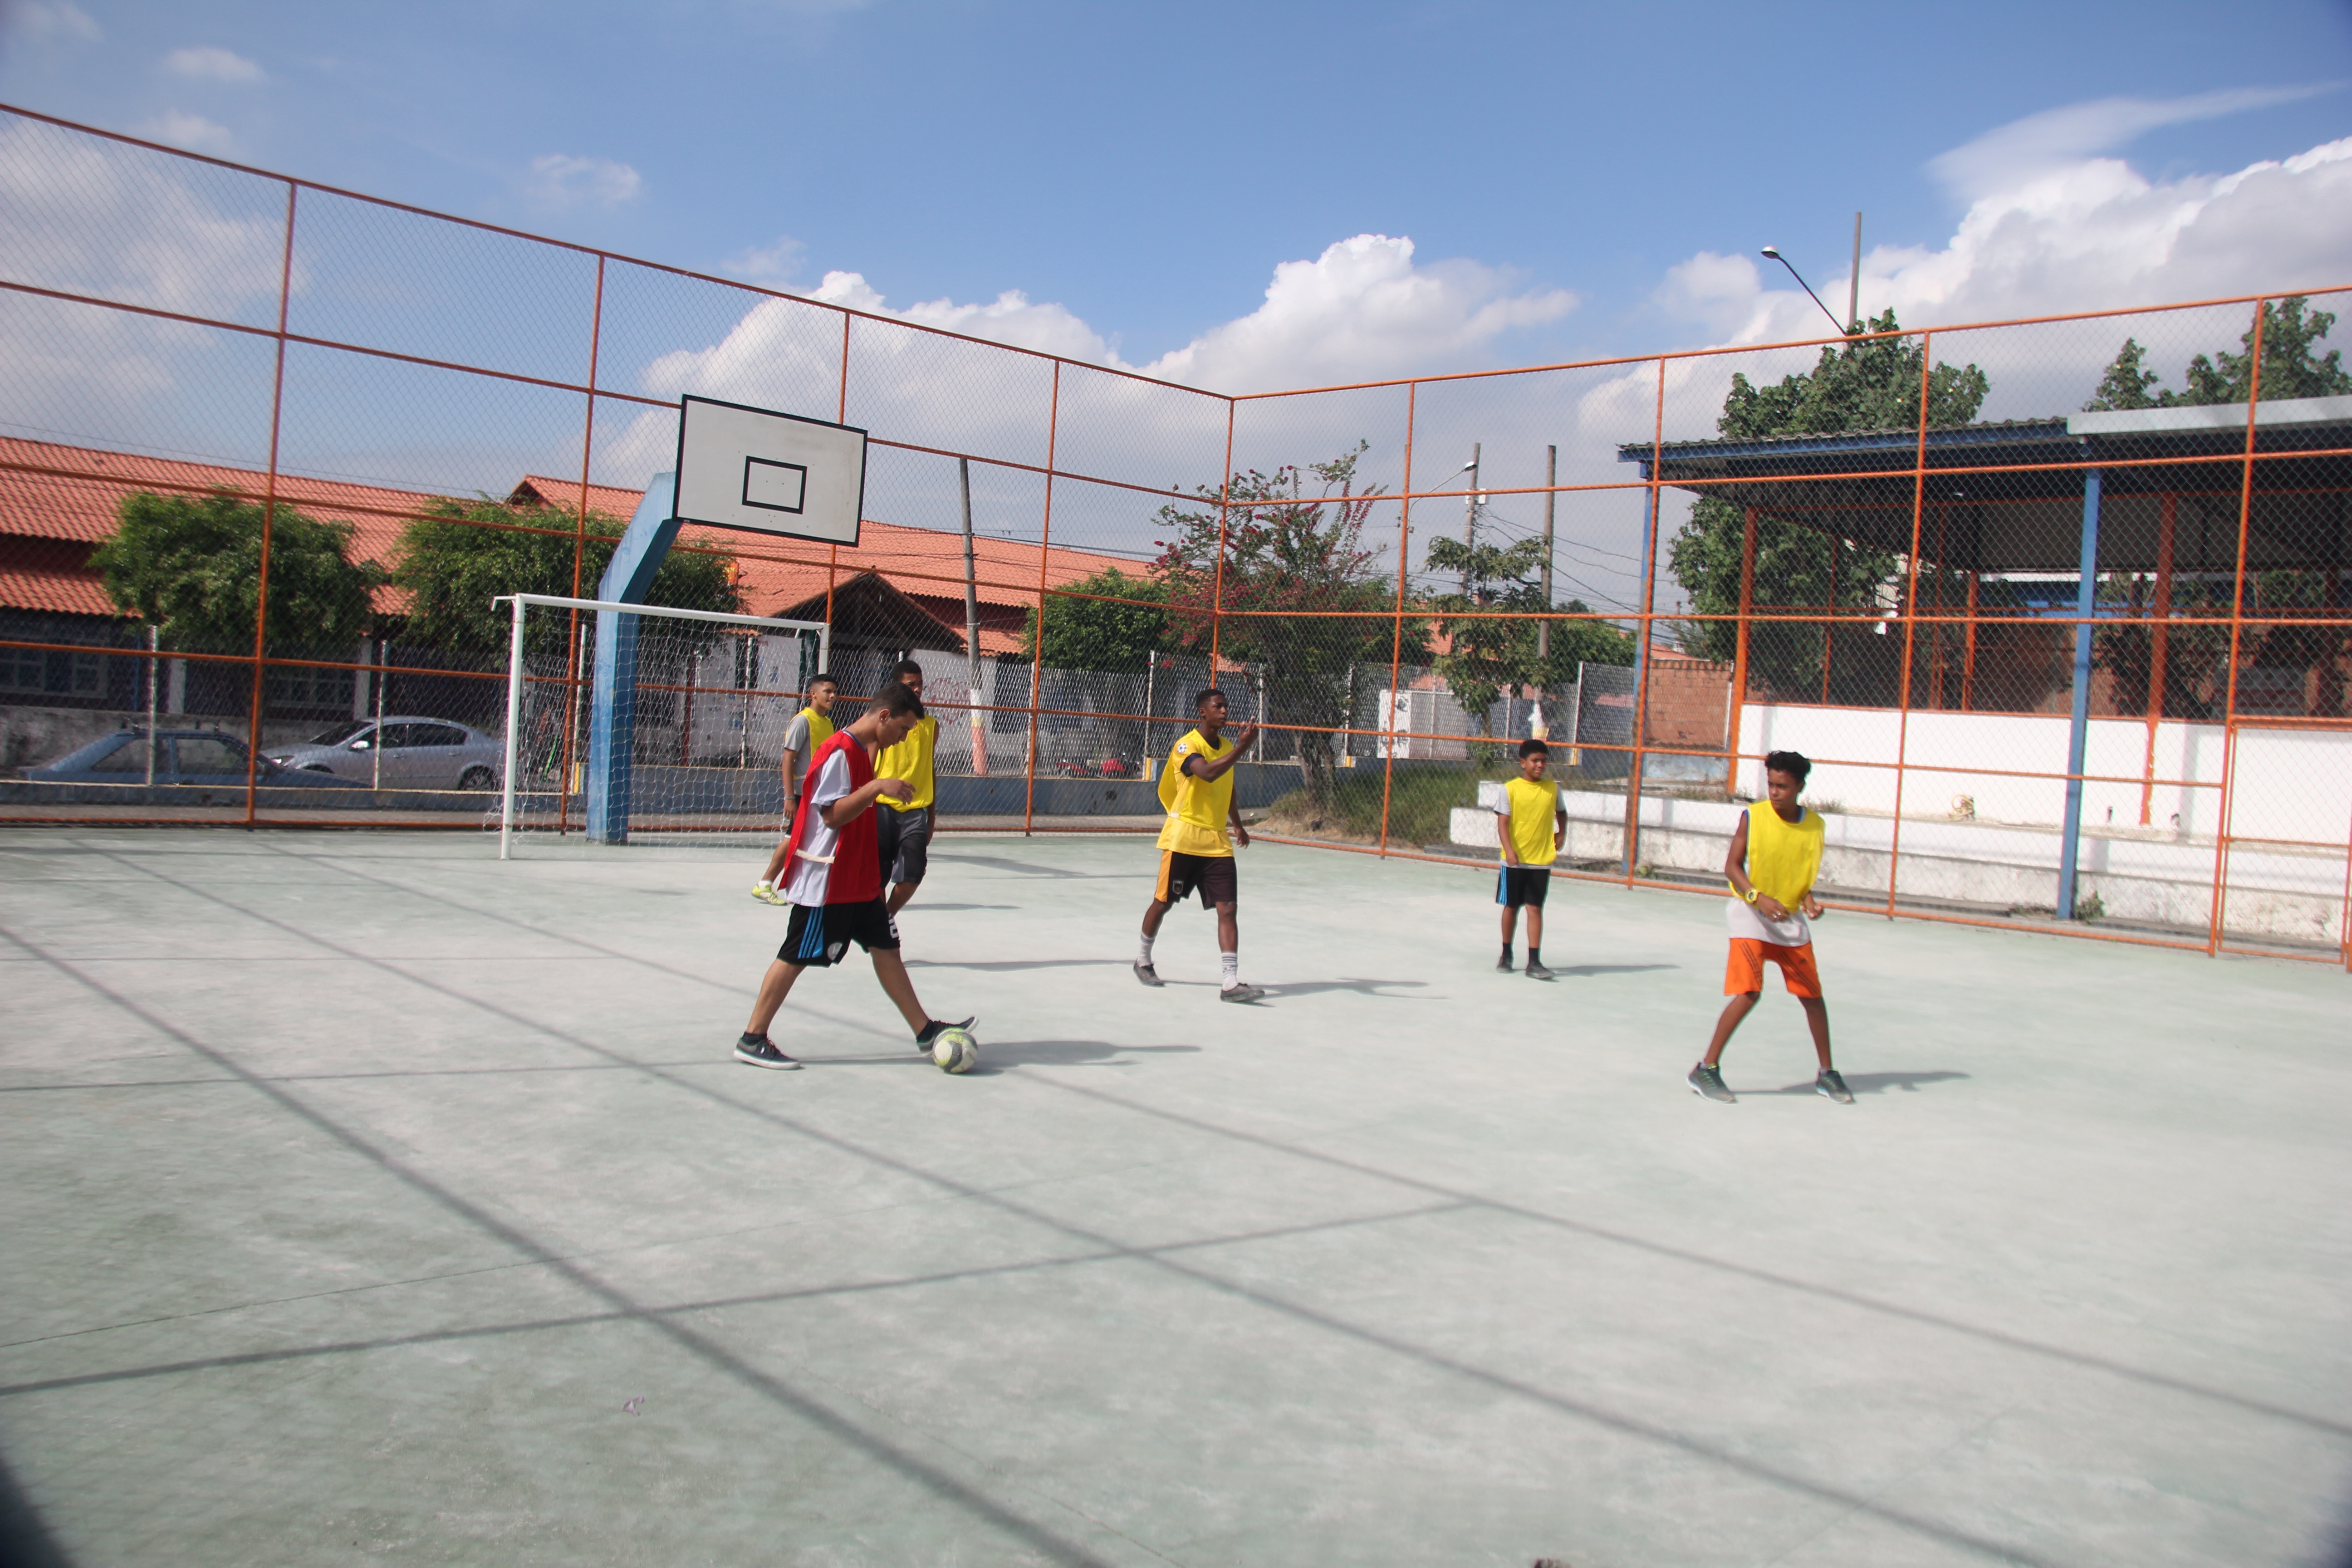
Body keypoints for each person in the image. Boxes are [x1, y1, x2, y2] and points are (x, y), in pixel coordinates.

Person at [735, 680, 974, 1069]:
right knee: (794, 954)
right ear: (884, 716)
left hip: (859, 882)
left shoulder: (861, 753)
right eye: (900, 730)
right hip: (829, 883)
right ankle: (752, 1038)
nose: (900, 740)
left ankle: (925, 1031)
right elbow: (832, 815)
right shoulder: (839, 752)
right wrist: (878, 787)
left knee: (887, 949)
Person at [1688, 750, 1852, 1105]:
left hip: (1787, 918)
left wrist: (1807, 900)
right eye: (1771, 784)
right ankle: (1706, 1068)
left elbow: (1796, 869)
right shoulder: (1754, 817)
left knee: (1813, 998)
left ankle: (1827, 1074)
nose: (1775, 792)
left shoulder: (1815, 826)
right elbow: (1732, 867)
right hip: (1750, 914)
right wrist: (1757, 898)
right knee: (1749, 992)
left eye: (1783, 786)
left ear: (1800, 787)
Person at [1134, 688, 1261, 1002]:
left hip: (1216, 841)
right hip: (1184, 837)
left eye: (1226, 706)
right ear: (1202, 712)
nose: (1224, 710)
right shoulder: (1186, 745)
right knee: (1163, 902)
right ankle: (1142, 960)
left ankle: (1230, 983)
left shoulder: (1229, 746)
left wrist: (1238, 825)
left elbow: (1226, 787)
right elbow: (1207, 773)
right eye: (1218, 706)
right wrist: (1243, 750)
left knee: (1228, 908)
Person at [752, 673, 837, 905]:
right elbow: (788, 759)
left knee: (807, 840)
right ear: (813, 694)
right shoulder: (803, 721)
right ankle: (765, 883)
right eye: (827, 691)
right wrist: (789, 796)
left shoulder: (828, 723)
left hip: (819, 793)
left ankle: (803, 885)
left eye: (834, 692)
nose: (832, 696)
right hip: (802, 793)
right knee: (793, 838)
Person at [869, 658, 938, 917]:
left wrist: (931, 816)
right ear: (898, 687)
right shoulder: (884, 722)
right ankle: (877, 925)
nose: (918, 689)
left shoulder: (931, 725)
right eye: (911, 684)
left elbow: (930, 770)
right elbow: (870, 766)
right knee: (877, 875)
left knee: (914, 873)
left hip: (915, 811)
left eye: (921, 684)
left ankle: (885, 917)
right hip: (883, 808)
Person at [1495, 737, 1567, 979]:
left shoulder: (1552, 789)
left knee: (1536, 909)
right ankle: (1506, 953)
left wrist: (1561, 833)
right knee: (1512, 907)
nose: (1540, 765)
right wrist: (1510, 850)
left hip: (1541, 861)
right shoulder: (1510, 789)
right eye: (1535, 761)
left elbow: (1562, 812)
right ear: (1523, 762)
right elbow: (1503, 824)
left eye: (1543, 761)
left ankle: (1534, 962)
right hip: (1514, 862)